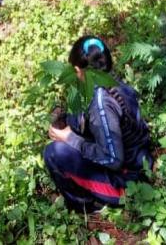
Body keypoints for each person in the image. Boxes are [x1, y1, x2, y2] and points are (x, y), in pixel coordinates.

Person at [44, 36, 153, 212]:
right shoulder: (113, 82)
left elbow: (113, 160)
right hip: (140, 158)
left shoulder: (100, 104)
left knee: (54, 153)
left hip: (128, 182)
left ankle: (87, 205)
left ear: (78, 70)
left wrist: (70, 138)